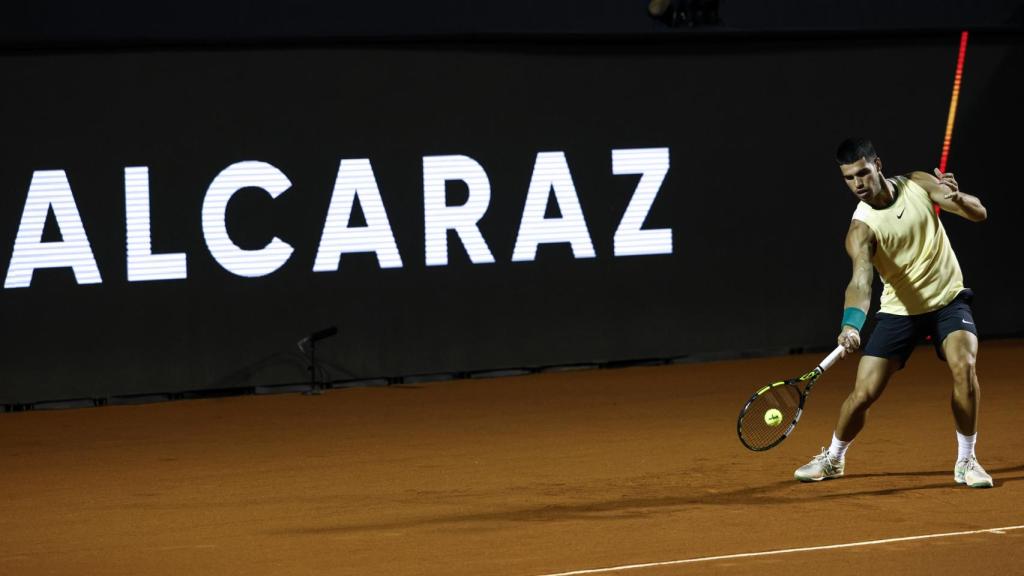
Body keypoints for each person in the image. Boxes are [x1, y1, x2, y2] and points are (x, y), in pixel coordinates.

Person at [794, 137, 992, 488]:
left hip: (948, 301)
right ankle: (834, 458)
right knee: (863, 394)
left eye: (863, 173)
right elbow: (860, 282)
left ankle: (966, 460)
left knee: (965, 365)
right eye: (849, 178)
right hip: (900, 312)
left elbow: (979, 213)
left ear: (878, 165)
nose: (857, 184)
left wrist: (959, 198)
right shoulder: (861, 230)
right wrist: (851, 324)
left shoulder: (918, 183)